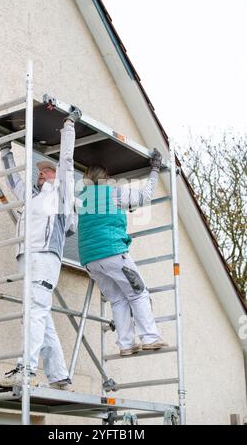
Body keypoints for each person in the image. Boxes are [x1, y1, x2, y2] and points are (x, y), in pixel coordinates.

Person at [0, 107, 81, 389]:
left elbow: (66, 161)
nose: (42, 175)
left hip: (44, 257)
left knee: (36, 311)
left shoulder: (62, 196)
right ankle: (59, 375)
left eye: (47, 172)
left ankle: (26, 370)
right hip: (26, 257)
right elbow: (13, 178)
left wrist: (68, 126)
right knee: (41, 313)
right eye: (40, 173)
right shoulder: (31, 197)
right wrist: (5, 147)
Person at [77, 148, 168, 356]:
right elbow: (145, 196)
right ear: (106, 177)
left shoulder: (82, 199)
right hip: (112, 252)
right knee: (138, 293)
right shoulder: (114, 192)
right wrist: (154, 169)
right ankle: (150, 338)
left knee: (118, 299)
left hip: (89, 260)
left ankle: (126, 344)